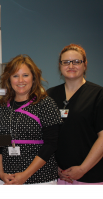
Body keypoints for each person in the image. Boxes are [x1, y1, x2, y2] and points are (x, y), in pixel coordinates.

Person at [0, 54, 62, 185]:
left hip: (39, 178)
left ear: (34, 77)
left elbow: (51, 144)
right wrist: (1, 173)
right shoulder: (1, 106)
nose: (20, 80)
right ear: (9, 79)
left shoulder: (45, 104)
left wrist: (25, 175)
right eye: (15, 76)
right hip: (6, 178)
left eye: (25, 75)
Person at [47, 44, 103, 185]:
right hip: (58, 176)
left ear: (85, 64)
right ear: (60, 66)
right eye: (66, 62)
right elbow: (47, 136)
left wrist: (82, 169)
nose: (71, 65)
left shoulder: (98, 94)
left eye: (76, 61)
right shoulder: (50, 95)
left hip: (90, 177)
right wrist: (55, 166)